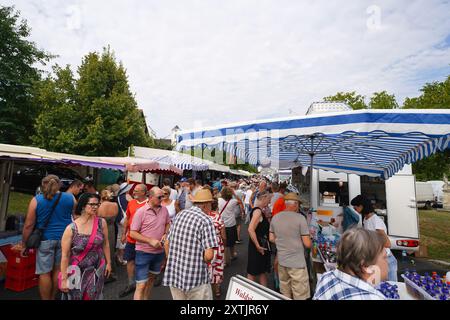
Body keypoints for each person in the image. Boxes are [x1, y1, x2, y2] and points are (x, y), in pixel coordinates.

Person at [16, 175, 76, 300]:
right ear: (60, 185)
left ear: (43, 185)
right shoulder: (70, 198)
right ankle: (53, 297)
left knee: (44, 272)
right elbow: (74, 217)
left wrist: (24, 244)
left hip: (44, 239)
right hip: (65, 238)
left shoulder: (37, 200)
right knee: (58, 270)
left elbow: (28, 225)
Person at [163, 189, 218, 300]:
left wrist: (172, 260)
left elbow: (167, 243)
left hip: (175, 274)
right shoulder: (206, 220)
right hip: (196, 278)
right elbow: (209, 256)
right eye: (211, 204)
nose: (211, 207)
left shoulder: (180, 215)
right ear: (206, 205)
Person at [60, 193, 111, 300]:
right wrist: (64, 279)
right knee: (75, 297)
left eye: (97, 204)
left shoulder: (101, 223)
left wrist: (108, 263)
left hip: (96, 269)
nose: (95, 207)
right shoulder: (71, 228)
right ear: (83, 205)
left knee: (93, 296)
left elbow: (106, 243)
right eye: (92, 204)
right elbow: (65, 256)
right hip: (75, 271)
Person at [313, 228, 388, 300]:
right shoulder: (372, 298)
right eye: (384, 257)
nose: (387, 262)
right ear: (366, 266)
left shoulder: (326, 277)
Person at [130, 187, 170, 300]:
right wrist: (150, 241)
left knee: (151, 281)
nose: (162, 199)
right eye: (159, 197)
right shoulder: (141, 212)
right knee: (141, 285)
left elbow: (168, 223)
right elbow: (132, 233)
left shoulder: (164, 210)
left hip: (159, 253)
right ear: (150, 197)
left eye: (163, 196)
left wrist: (166, 233)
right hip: (143, 252)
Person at [269, 193, 312, 299]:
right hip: (297, 263)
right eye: (298, 204)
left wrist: (283, 242)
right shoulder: (300, 218)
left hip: (282, 262)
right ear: (295, 204)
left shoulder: (275, 217)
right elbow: (307, 244)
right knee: (299, 294)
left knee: (285, 292)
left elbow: (271, 238)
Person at [351, 195, 398, 282]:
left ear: (361, 206)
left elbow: (387, 244)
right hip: (376, 259)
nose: (354, 209)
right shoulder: (365, 219)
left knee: (391, 288)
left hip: (386, 260)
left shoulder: (375, 221)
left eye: (355, 206)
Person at [118, 184, 148, 298]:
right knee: (130, 260)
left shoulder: (149, 203)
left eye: (136, 191)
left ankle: (142, 283)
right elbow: (127, 218)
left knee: (142, 262)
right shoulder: (131, 203)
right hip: (131, 238)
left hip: (144, 239)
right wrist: (124, 233)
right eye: (134, 190)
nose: (133, 192)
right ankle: (131, 283)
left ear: (144, 193)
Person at [247, 191, 272, 287]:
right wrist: (257, 245)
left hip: (259, 245)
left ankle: (262, 294)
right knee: (253, 272)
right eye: (268, 200)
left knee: (261, 271)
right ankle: (250, 295)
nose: (269, 202)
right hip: (258, 246)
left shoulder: (258, 210)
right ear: (263, 198)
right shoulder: (258, 211)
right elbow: (250, 229)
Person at [97, 189, 119, 283]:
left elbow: (97, 217)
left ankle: (102, 273)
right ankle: (111, 271)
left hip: (101, 229)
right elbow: (117, 216)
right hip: (112, 229)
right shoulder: (115, 205)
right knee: (110, 249)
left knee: (101, 250)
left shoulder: (100, 206)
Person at [206, 199, 226, 298]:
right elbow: (224, 235)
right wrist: (224, 245)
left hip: (206, 244)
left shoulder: (204, 217)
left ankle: (207, 288)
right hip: (217, 244)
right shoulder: (218, 217)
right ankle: (217, 289)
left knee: (208, 265)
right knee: (217, 266)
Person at [218, 187, 239, 266]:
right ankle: (232, 255)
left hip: (222, 223)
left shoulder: (219, 200)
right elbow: (240, 201)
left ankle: (224, 260)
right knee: (231, 242)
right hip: (231, 224)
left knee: (224, 243)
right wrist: (234, 193)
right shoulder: (233, 201)